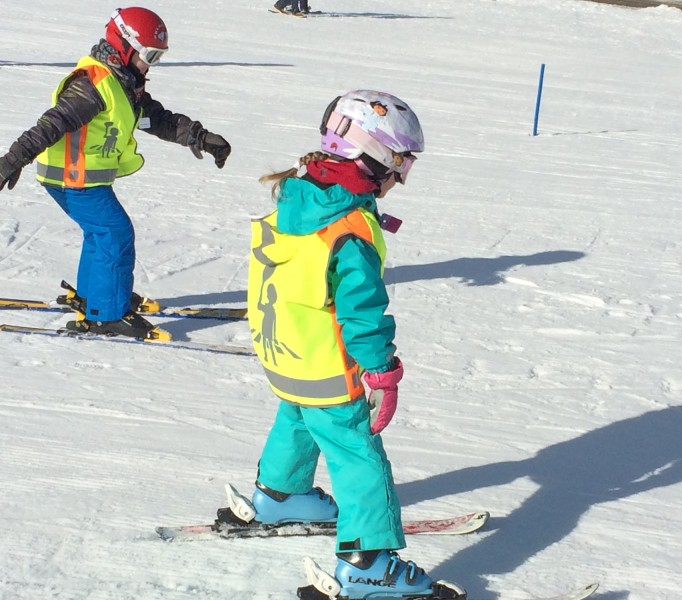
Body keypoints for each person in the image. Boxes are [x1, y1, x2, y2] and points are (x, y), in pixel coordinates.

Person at [236, 90, 461, 599]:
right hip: (327, 363)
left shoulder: (299, 195)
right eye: (401, 162)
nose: (402, 176)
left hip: (285, 350)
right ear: (374, 156)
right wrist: (381, 370)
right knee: (358, 453)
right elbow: (362, 311)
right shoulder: (349, 230)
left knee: (298, 415)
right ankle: (367, 565)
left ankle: (280, 494)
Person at [0, 7, 231, 340]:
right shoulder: (92, 85)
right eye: (149, 55)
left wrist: (201, 138)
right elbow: (51, 125)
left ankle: (96, 294)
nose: (151, 64)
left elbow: (158, 119)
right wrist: (12, 160)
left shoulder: (124, 83)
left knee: (100, 233)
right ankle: (107, 314)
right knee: (115, 234)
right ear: (124, 46)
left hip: (83, 176)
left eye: (158, 57)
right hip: (71, 177)